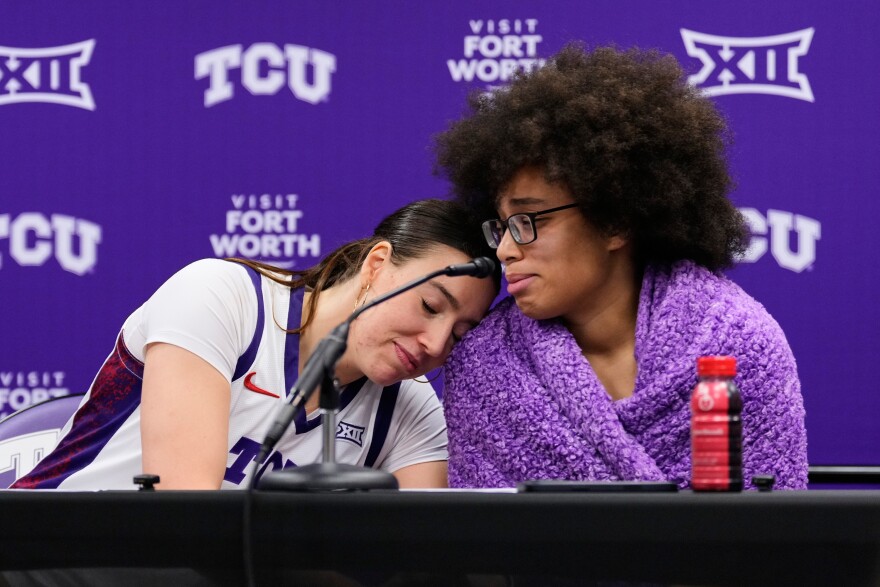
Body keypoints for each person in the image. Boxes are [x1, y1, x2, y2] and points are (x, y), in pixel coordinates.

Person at [433, 43, 808, 490]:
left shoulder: (737, 340)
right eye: (502, 227)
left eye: (529, 221)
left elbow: (776, 538)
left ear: (615, 221)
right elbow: (483, 548)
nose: (506, 250)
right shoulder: (486, 366)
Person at [12, 199, 500, 490]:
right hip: (43, 560)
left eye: (459, 334)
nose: (435, 344)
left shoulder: (412, 408)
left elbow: (423, 560)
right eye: (431, 307)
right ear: (376, 265)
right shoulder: (223, 298)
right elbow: (184, 522)